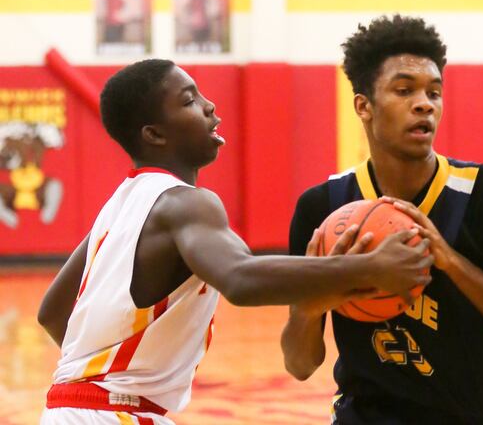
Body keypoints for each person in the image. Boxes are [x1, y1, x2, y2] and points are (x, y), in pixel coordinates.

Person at [37, 59, 433, 425]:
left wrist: (101, 371)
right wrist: (368, 267)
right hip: (111, 413)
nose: (209, 106)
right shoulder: (186, 203)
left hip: (66, 410)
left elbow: (52, 313)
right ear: (154, 134)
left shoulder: (119, 206)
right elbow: (241, 278)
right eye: (189, 100)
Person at [280, 15, 483, 425]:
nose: (425, 103)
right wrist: (308, 308)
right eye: (404, 90)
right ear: (364, 106)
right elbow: (300, 365)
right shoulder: (324, 209)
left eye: (434, 92)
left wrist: (450, 261)